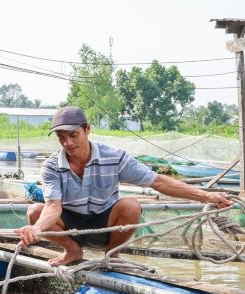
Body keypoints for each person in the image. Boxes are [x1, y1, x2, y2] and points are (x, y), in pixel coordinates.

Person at [16, 106, 234, 266]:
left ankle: (113, 253)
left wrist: (206, 196)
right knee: (35, 211)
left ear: (87, 129)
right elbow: (53, 206)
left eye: (73, 135)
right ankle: (72, 251)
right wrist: (36, 229)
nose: (68, 143)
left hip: (107, 224)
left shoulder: (114, 157)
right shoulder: (52, 166)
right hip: (71, 225)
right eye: (61, 138)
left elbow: (157, 181)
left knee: (131, 205)